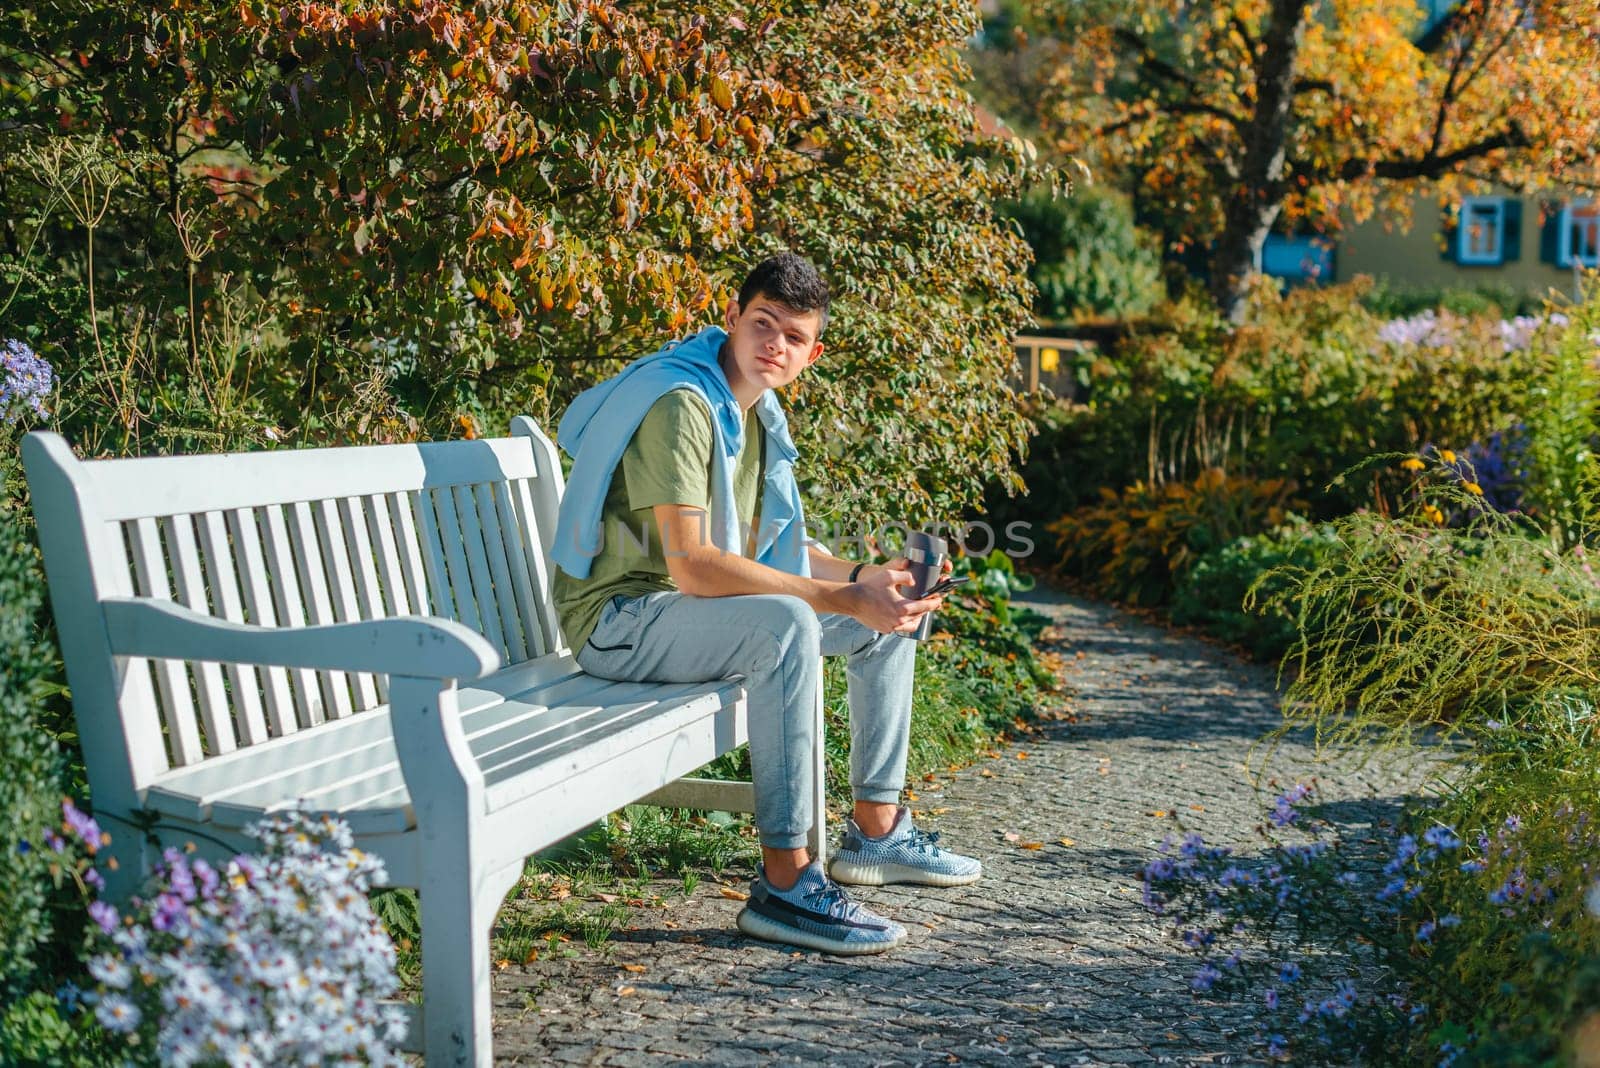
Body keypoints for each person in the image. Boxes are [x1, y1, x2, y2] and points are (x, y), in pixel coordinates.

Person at [549, 252, 982, 955]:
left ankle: (877, 833)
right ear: (732, 318)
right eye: (761, 323)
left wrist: (871, 579)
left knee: (884, 620)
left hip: (685, 619)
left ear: (814, 352)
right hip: (620, 621)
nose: (773, 343)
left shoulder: (751, 411)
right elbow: (693, 564)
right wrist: (838, 595)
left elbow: (773, 553)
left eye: (791, 334)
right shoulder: (683, 406)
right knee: (787, 623)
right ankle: (787, 883)